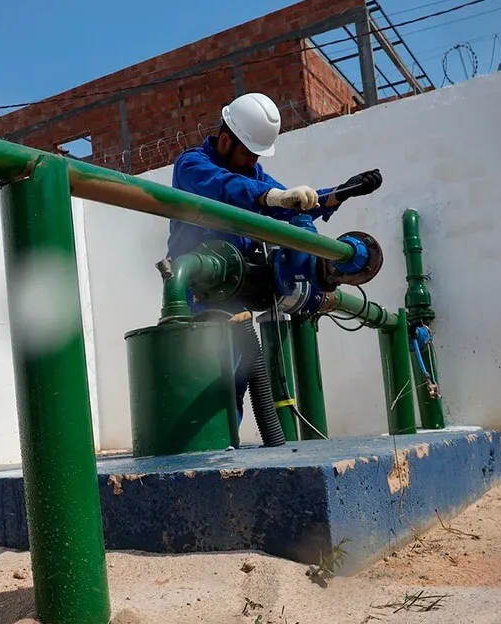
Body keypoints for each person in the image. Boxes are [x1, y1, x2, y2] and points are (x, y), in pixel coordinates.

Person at [161, 91, 383, 427]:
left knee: (234, 379)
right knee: (214, 381)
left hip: (237, 290)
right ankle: (206, 456)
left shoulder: (252, 173)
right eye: (250, 154)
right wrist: (271, 197)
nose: (254, 163)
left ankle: (224, 457)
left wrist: (337, 194)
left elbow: (291, 201)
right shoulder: (192, 166)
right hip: (201, 291)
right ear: (224, 141)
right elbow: (227, 188)